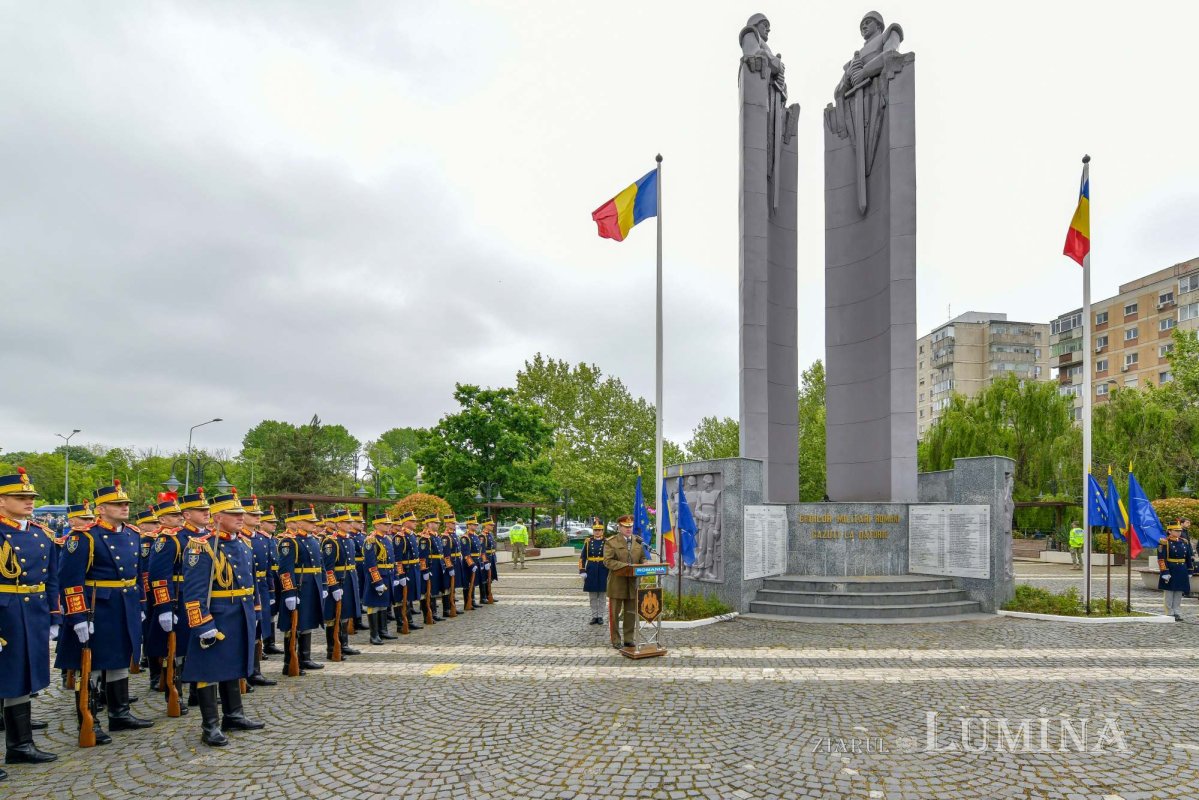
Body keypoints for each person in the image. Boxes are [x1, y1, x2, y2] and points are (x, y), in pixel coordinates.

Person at [56, 480, 155, 745]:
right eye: (118, 504)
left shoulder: (133, 534)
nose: (124, 507)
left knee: (122, 658)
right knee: (93, 665)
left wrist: (141, 605)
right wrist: (77, 616)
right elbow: (70, 580)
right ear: (101, 509)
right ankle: (90, 720)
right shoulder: (84, 537)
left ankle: (120, 713)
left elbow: (137, 576)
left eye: (126, 504)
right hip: (98, 606)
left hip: (126, 603)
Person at [180, 491, 264, 746]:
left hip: (240, 611)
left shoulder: (245, 544)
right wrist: (201, 623)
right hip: (217, 614)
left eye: (241, 514)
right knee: (209, 668)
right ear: (217, 518)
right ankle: (210, 725)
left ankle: (234, 715)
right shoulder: (201, 546)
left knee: (234, 663)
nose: (241, 518)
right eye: (234, 514)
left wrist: (256, 611)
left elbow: (252, 582)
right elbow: (193, 592)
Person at [0, 468, 59, 779]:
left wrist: (54, 614)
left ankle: (20, 745)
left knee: (22, 676)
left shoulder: (40, 534)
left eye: (31, 497)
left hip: (32, 611)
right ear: (1, 501)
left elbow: (51, 579)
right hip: (5, 611)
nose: (29, 502)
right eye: (20, 497)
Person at [147, 491, 208, 712]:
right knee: (178, 649)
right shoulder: (171, 539)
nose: (207, 513)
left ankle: (197, 692)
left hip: (201, 599)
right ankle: (175, 693)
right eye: (201, 510)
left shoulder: (209, 537)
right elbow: (159, 576)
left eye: (207, 509)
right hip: (179, 599)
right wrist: (164, 608)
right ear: (187, 514)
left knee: (200, 645)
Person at [276, 506, 334, 675]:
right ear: (299, 522)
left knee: (307, 622)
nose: (314, 525)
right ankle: (289, 662)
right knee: (293, 625)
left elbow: (321, 565)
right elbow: (285, 570)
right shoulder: (290, 542)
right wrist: (289, 592)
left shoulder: (314, 540)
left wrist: (323, 585)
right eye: (310, 522)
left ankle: (305, 658)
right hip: (299, 588)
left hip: (312, 586)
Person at [238, 496, 277, 688]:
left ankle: (255, 671)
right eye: (253, 514)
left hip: (260, 587)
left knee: (258, 630)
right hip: (242, 589)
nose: (257, 517)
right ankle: (242, 672)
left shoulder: (261, 539)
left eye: (258, 515)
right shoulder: (239, 539)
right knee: (244, 631)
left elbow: (268, 568)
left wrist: (270, 590)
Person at [603, 515, 648, 649]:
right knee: (614, 614)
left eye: (630, 526)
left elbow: (643, 558)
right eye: (626, 527)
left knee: (630, 613)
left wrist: (645, 564)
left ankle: (628, 639)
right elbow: (608, 561)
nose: (629, 529)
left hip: (633, 584)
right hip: (617, 584)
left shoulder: (638, 542)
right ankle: (616, 640)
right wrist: (626, 567)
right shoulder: (611, 542)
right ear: (619, 527)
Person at [321, 510, 360, 660]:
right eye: (347, 522)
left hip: (349, 579)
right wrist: (334, 586)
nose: (350, 525)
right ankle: (332, 648)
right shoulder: (332, 542)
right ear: (338, 524)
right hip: (338, 581)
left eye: (351, 522)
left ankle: (343, 644)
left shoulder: (349, 540)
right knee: (333, 616)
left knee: (345, 613)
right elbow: (328, 567)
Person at [362, 513, 398, 645]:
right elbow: (371, 564)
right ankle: (374, 634)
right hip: (377, 577)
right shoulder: (371, 541)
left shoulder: (387, 539)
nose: (388, 526)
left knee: (384, 604)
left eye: (389, 524)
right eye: (385, 524)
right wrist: (377, 581)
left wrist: (395, 575)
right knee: (374, 605)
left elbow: (392, 559)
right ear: (376, 525)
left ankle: (383, 630)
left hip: (387, 574)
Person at [258, 506, 284, 656]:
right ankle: (262, 642)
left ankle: (270, 642)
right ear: (261, 524)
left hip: (275, 575)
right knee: (265, 612)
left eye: (275, 522)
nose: (274, 524)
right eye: (270, 522)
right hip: (266, 577)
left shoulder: (274, 540)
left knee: (272, 611)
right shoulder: (261, 540)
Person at [392, 512, 422, 631]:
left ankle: (409, 620)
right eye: (413, 521)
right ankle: (401, 623)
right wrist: (401, 574)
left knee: (408, 596)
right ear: (405, 522)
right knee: (401, 597)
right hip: (406, 570)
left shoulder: (412, 535)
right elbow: (397, 559)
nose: (415, 523)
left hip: (413, 568)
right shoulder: (400, 537)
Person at [1159, 524, 1194, 622]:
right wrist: (1164, 571)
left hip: (1181, 569)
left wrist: (1190, 569)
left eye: (1180, 531)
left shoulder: (1184, 542)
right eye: (1176, 530)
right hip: (1171, 569)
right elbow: (1161, 559)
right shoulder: (1164, 542)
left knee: (1179, 591)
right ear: (1169, 531)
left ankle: (1177, 611)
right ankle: (1169, 612)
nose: (1179, 532)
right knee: (1169, 591)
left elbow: (1188, 557)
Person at [578, 520, 608, 626]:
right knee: (593, 595)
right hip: (591, 570)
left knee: (602, 595)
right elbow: (582, 557)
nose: (597, 532)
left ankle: (600, 616)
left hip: (603, 569)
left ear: (602, 531)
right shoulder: (588, 541)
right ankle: (594, 615)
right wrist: (582, 570)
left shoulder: (607, 542)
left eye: (599, 530)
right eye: (595, 530)